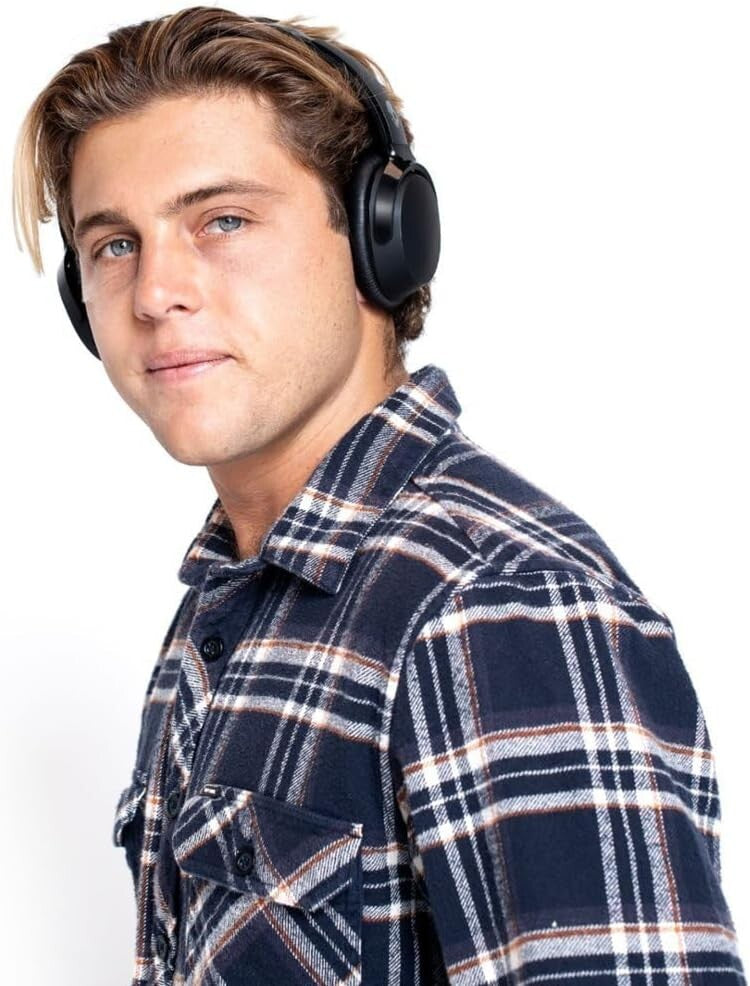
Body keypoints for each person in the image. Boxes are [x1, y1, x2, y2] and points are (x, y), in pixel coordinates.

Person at [12, 7, 746, 985]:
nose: (155, 292)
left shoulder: (496, 604)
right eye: (114, 245)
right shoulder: (233, 596)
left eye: (223, 221)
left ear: (379, 238)